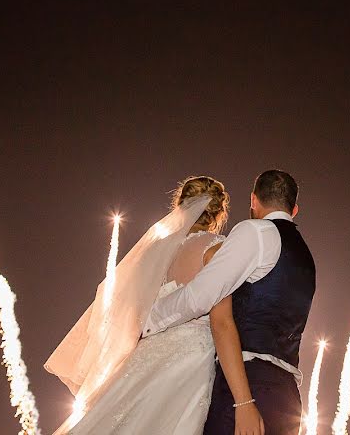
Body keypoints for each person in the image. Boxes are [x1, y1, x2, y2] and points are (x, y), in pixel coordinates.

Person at [45, 176, 264, 434]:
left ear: (180, 206)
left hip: (143, 359)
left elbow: (131, 314)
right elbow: (223, 321)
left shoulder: (154, 252)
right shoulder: (216, 251)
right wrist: (245, 400)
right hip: (191, 363)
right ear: (219, 213)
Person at [143, 170, 316, 435]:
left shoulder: (255, 232)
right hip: (288, 395)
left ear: (253, 200)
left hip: (247, 386)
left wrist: (146, 321)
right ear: (294, 209)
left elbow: (200, 296)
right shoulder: (306, 257)